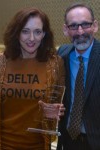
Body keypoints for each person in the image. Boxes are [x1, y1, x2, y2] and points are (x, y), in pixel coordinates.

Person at [0, 7, 65, 150]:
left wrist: (56, 111)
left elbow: (57, 105)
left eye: (37, 32)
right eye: (25, 31)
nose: (31, 38)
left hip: (39, 145)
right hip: (3, 144)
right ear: (16, 33)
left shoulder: (55, 64)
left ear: (44, 34)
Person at [57, 3, 100, 150]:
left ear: (95, 26)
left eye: (85, 25)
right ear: (65, 30)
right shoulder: (62, 54)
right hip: (68, 140)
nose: (80, 31)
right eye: (74, 26)